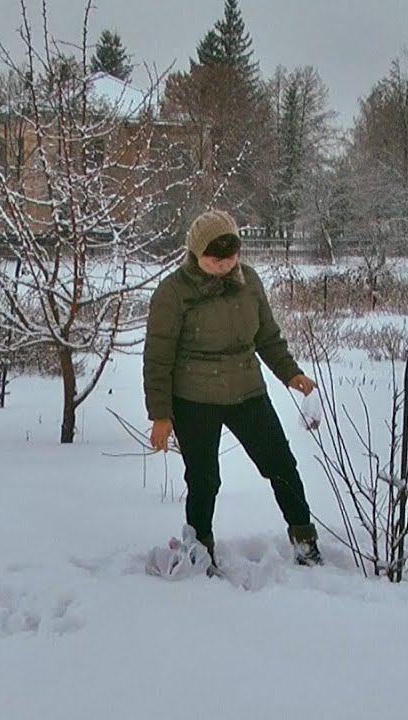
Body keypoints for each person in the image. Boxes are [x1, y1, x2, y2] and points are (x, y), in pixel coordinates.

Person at [143, 209, 322, 569]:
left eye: (231, 255)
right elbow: (158, 357)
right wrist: (161, 415)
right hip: (195, 399)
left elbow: (267, 337)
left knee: (281, 464)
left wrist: (290, 373)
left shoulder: (250, 282)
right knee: (204, 478)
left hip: (247, 392)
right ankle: (200, 550)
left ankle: (304, 540)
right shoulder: (174, 292)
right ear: (196, 253)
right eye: (215, 257)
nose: (225, 264)